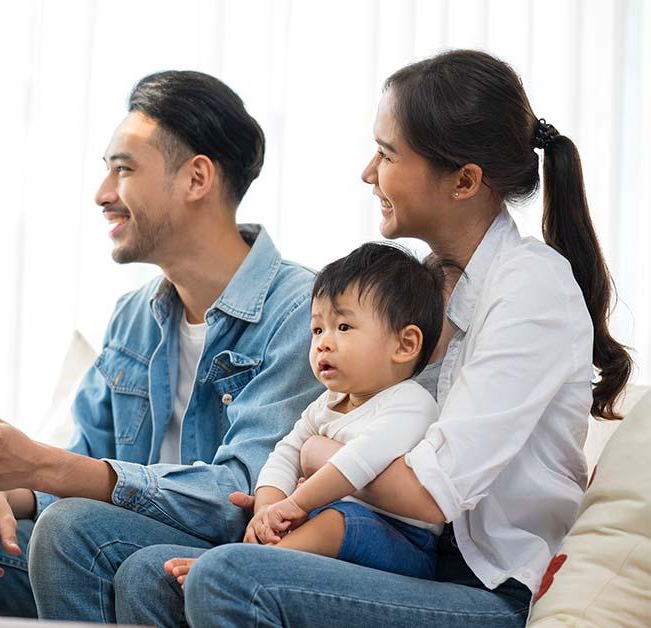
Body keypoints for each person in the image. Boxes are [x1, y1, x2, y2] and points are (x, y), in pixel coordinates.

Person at [114, 49, 633, 628]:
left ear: (465, 180)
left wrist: (313, 455)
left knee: (226, 578)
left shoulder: (531, 289)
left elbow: (430, 494)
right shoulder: (418, 287)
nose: (368, 173)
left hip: (483, 585)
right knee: (146, 574)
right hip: (399, 552)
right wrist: (279, 496)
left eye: (386, 154)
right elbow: (344, 417)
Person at [0, 70, 323, 621]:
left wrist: (41, 468)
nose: (102, 194)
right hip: (106, 544)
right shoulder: (134, 316)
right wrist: (0, 489)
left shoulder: (301, 310)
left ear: (196, 179)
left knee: (75, 527)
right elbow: (81, 458)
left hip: (213, 561)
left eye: (123, 169)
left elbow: (239, 495)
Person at [173, 242, 447, 585]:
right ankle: (254, 553)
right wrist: (266, 509)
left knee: (335, 519)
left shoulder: (411, 403)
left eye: (343, 327)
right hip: (332, 517)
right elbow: (285, 454)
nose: (323, 343)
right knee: (317, 517)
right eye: (318, 329)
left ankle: (249, 563)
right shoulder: (328, 402)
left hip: (405, 542)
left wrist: (295, 504)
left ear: (404, 344)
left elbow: (358, 463)